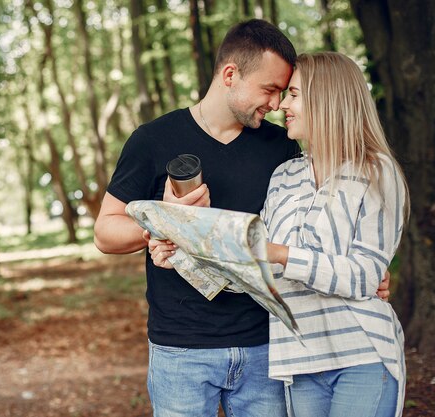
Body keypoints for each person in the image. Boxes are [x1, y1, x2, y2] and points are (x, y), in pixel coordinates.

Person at [94, 20, 389, 416]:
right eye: (269, 89)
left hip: (267, 347)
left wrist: (363, 267)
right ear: (230, 74)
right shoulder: (152, 140)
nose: (275, 104)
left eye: (283, 93)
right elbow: (105, 232)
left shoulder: (282, 148)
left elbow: (316, 225)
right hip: (181, 350)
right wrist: (164, 223)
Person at [261, 51, 408, 417]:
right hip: (298, 359)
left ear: (327, 97)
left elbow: (363, 276)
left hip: (363, 354)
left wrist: (280, 255)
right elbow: (253, 262)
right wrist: (181, 244)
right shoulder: (283, 176)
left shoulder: (377, 171)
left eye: (294, 94)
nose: (282, 106)